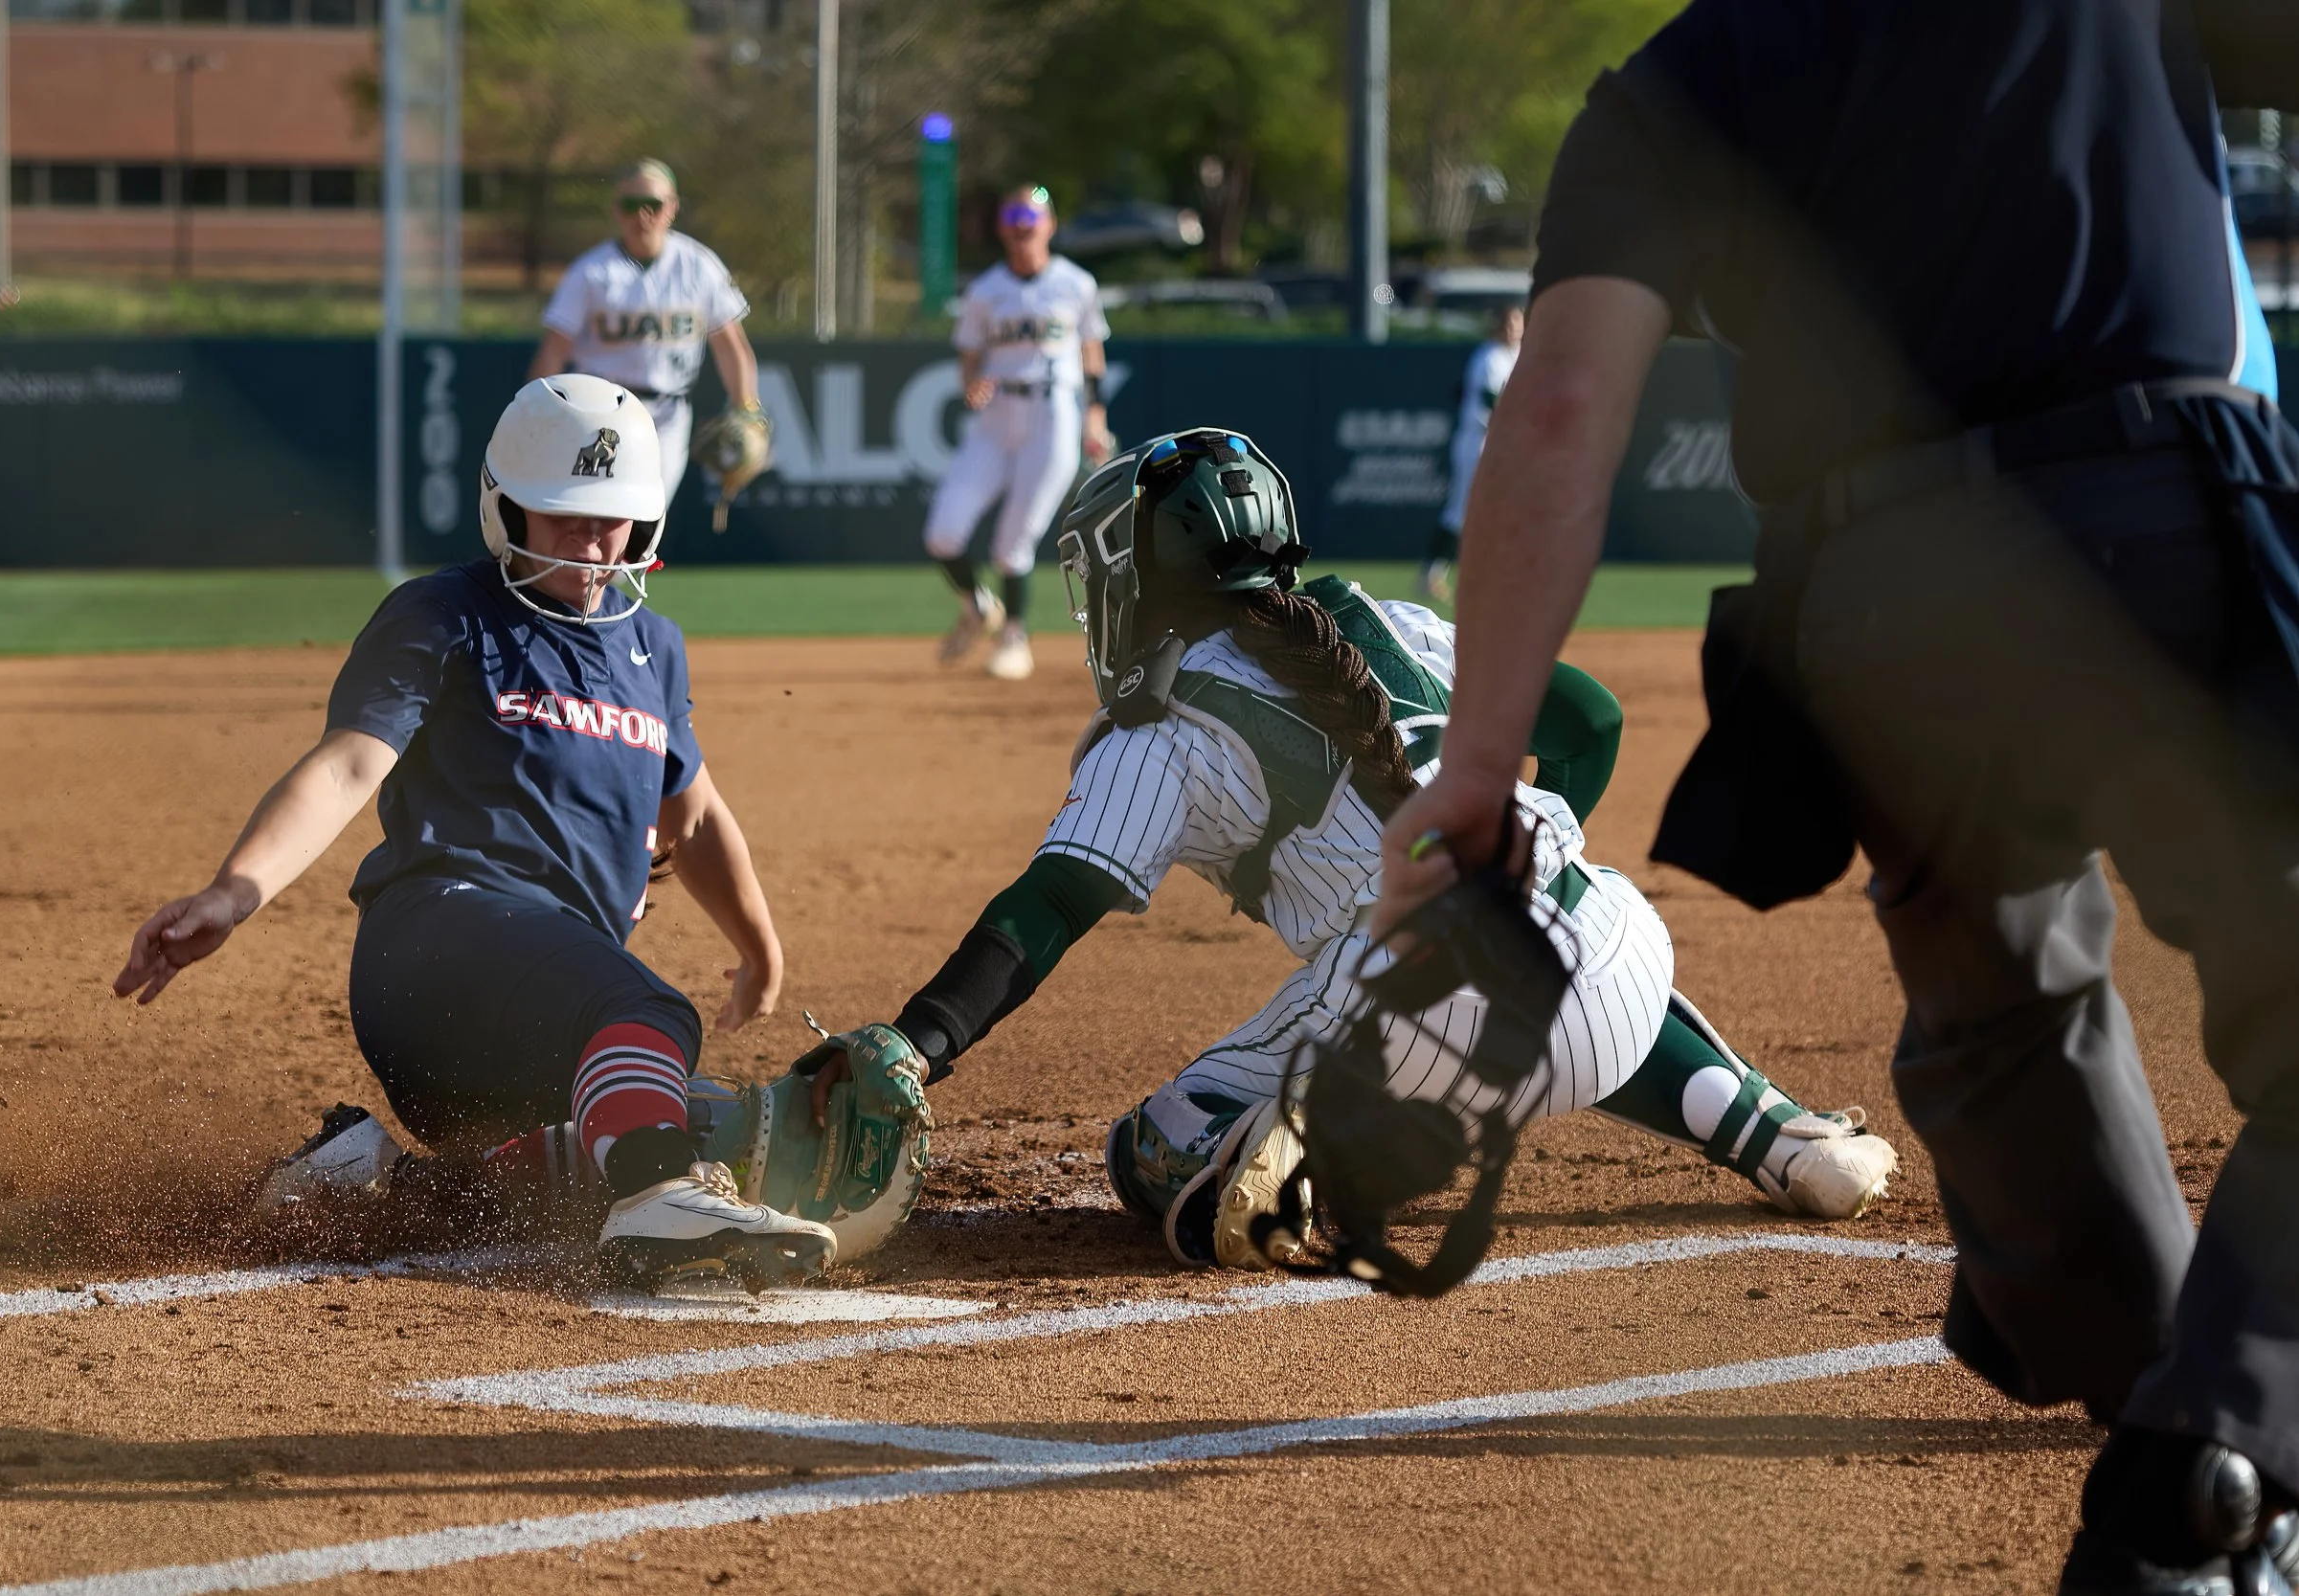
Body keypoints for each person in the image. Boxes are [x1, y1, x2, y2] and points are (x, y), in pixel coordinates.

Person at [1373, 4, 2299, 1590]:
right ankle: (2209, 1466)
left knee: (2005, 1011)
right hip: (2152, 518)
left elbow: (1559, 417)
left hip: (1871, 602)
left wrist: (1476, 767)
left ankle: (2161, 1396)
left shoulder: (1671, 86)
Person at [837, 428, 1894, 1270]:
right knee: (1553, 926)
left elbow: (1049, 907)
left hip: (1417, 1009)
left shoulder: (1158, 729)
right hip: (1619, 954)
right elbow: (1588, 721)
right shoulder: (1387, 621)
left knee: (1148, 1145)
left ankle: (1298, 1183)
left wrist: (919, 1039)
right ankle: (1776, 1131)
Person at [111, 376, 836, 1290]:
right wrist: (231, 891)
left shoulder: (653, 645)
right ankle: (658, 1202)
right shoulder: (446, 611)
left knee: (693, 1117)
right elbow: (347, 766)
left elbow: (690, 813)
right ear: (506, 509)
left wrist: (759, 948)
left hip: (532, 1009)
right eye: (562, 513)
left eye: (611, 516)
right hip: (435, 945)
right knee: (650, 1013)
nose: (590, 538)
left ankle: (378, 1173)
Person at [923, 184, 1113, 681]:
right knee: (943, 534)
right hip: (995, 418)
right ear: (1004, 231)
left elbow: (1092, 353)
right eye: (1016, 224)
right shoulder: (985, 291)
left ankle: (1015, 637)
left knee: (1012, 545)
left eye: (1032, 223)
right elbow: (969, 362)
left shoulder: (1076, 284)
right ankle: (979, 606)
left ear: (1050, 225)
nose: (1024, 233)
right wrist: (972, 387)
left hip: (1053, 415)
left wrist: (1096, 414)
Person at [530, 160, 765, 520]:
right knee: (599, 514)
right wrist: (535, 411)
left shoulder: (698, 266)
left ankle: (614, 577)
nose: (642, 214)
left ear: (671, 208)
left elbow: (731, 346)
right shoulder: (591, 272)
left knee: (644, 515)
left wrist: (746, 406)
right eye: (630, 205)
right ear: (615, 211)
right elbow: (554, 351)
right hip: (600, 410)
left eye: (653, 205)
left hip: (668, 414)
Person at [1419, 303, 1524, 605]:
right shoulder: (1488, 357)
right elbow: (1487, 404)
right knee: (1461, 512)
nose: (1512, 329)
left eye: (1517, 323)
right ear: (1496, 327)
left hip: (1501, 444)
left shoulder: (1515, 356)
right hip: (1477, 442)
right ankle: (1431, 573)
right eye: (1507, 324)